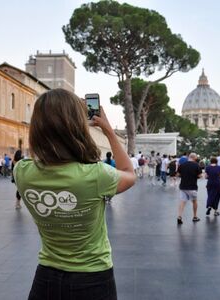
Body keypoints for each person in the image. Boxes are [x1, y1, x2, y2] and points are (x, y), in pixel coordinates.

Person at [13, 89, 136, 300]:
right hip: (93, 279)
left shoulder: (22, 171)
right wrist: (108, 130)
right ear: (76, 127)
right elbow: (129, 174)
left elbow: (38, 153)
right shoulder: (97, 175)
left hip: (46, 279)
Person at [177, 152, 202, 224]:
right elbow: (200, 176)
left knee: (182, 202)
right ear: (194, 158)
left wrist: (184, 175)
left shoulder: (182, 165)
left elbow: (178, 174)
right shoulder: (196, 165)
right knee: (194, 202)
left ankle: (179, 216)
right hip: (192, 187)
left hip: (183, 186)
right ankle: (194, 216)